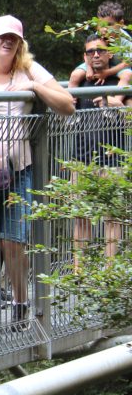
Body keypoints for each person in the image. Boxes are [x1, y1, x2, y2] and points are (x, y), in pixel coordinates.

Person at [0, 15, 74, 332]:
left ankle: (20, 305)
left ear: (20, 43)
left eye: (14, 37)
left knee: (14, 241)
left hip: (17, 168)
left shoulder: (28, 70)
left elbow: (67, 104)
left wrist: (35, 87)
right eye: (3, 36)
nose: (7, 42)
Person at [68, 32, 128, 267]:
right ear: (84, 56)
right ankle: (79, 271)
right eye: (90, 51)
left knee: (112, 219)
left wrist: (116, 104)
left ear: (109, 53)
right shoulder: (80, 80)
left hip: (113, 162)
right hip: (82, 160)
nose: (95, 55)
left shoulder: (121, 81)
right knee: (80, 218)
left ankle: (109, 273)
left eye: (100, 50)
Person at [69, 1, 132, 104]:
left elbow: (127, 63)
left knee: (127, 75)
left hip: (117, 68)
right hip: (97, 65)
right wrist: (89, 68)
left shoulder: (126, 40)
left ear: (120, 24)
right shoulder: (98, 35)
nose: (105, 29)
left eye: (109, 25)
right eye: (101, 25)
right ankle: (70, 103)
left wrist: (107, 73)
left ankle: (115, 102)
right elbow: (88, 53)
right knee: (75, 75)